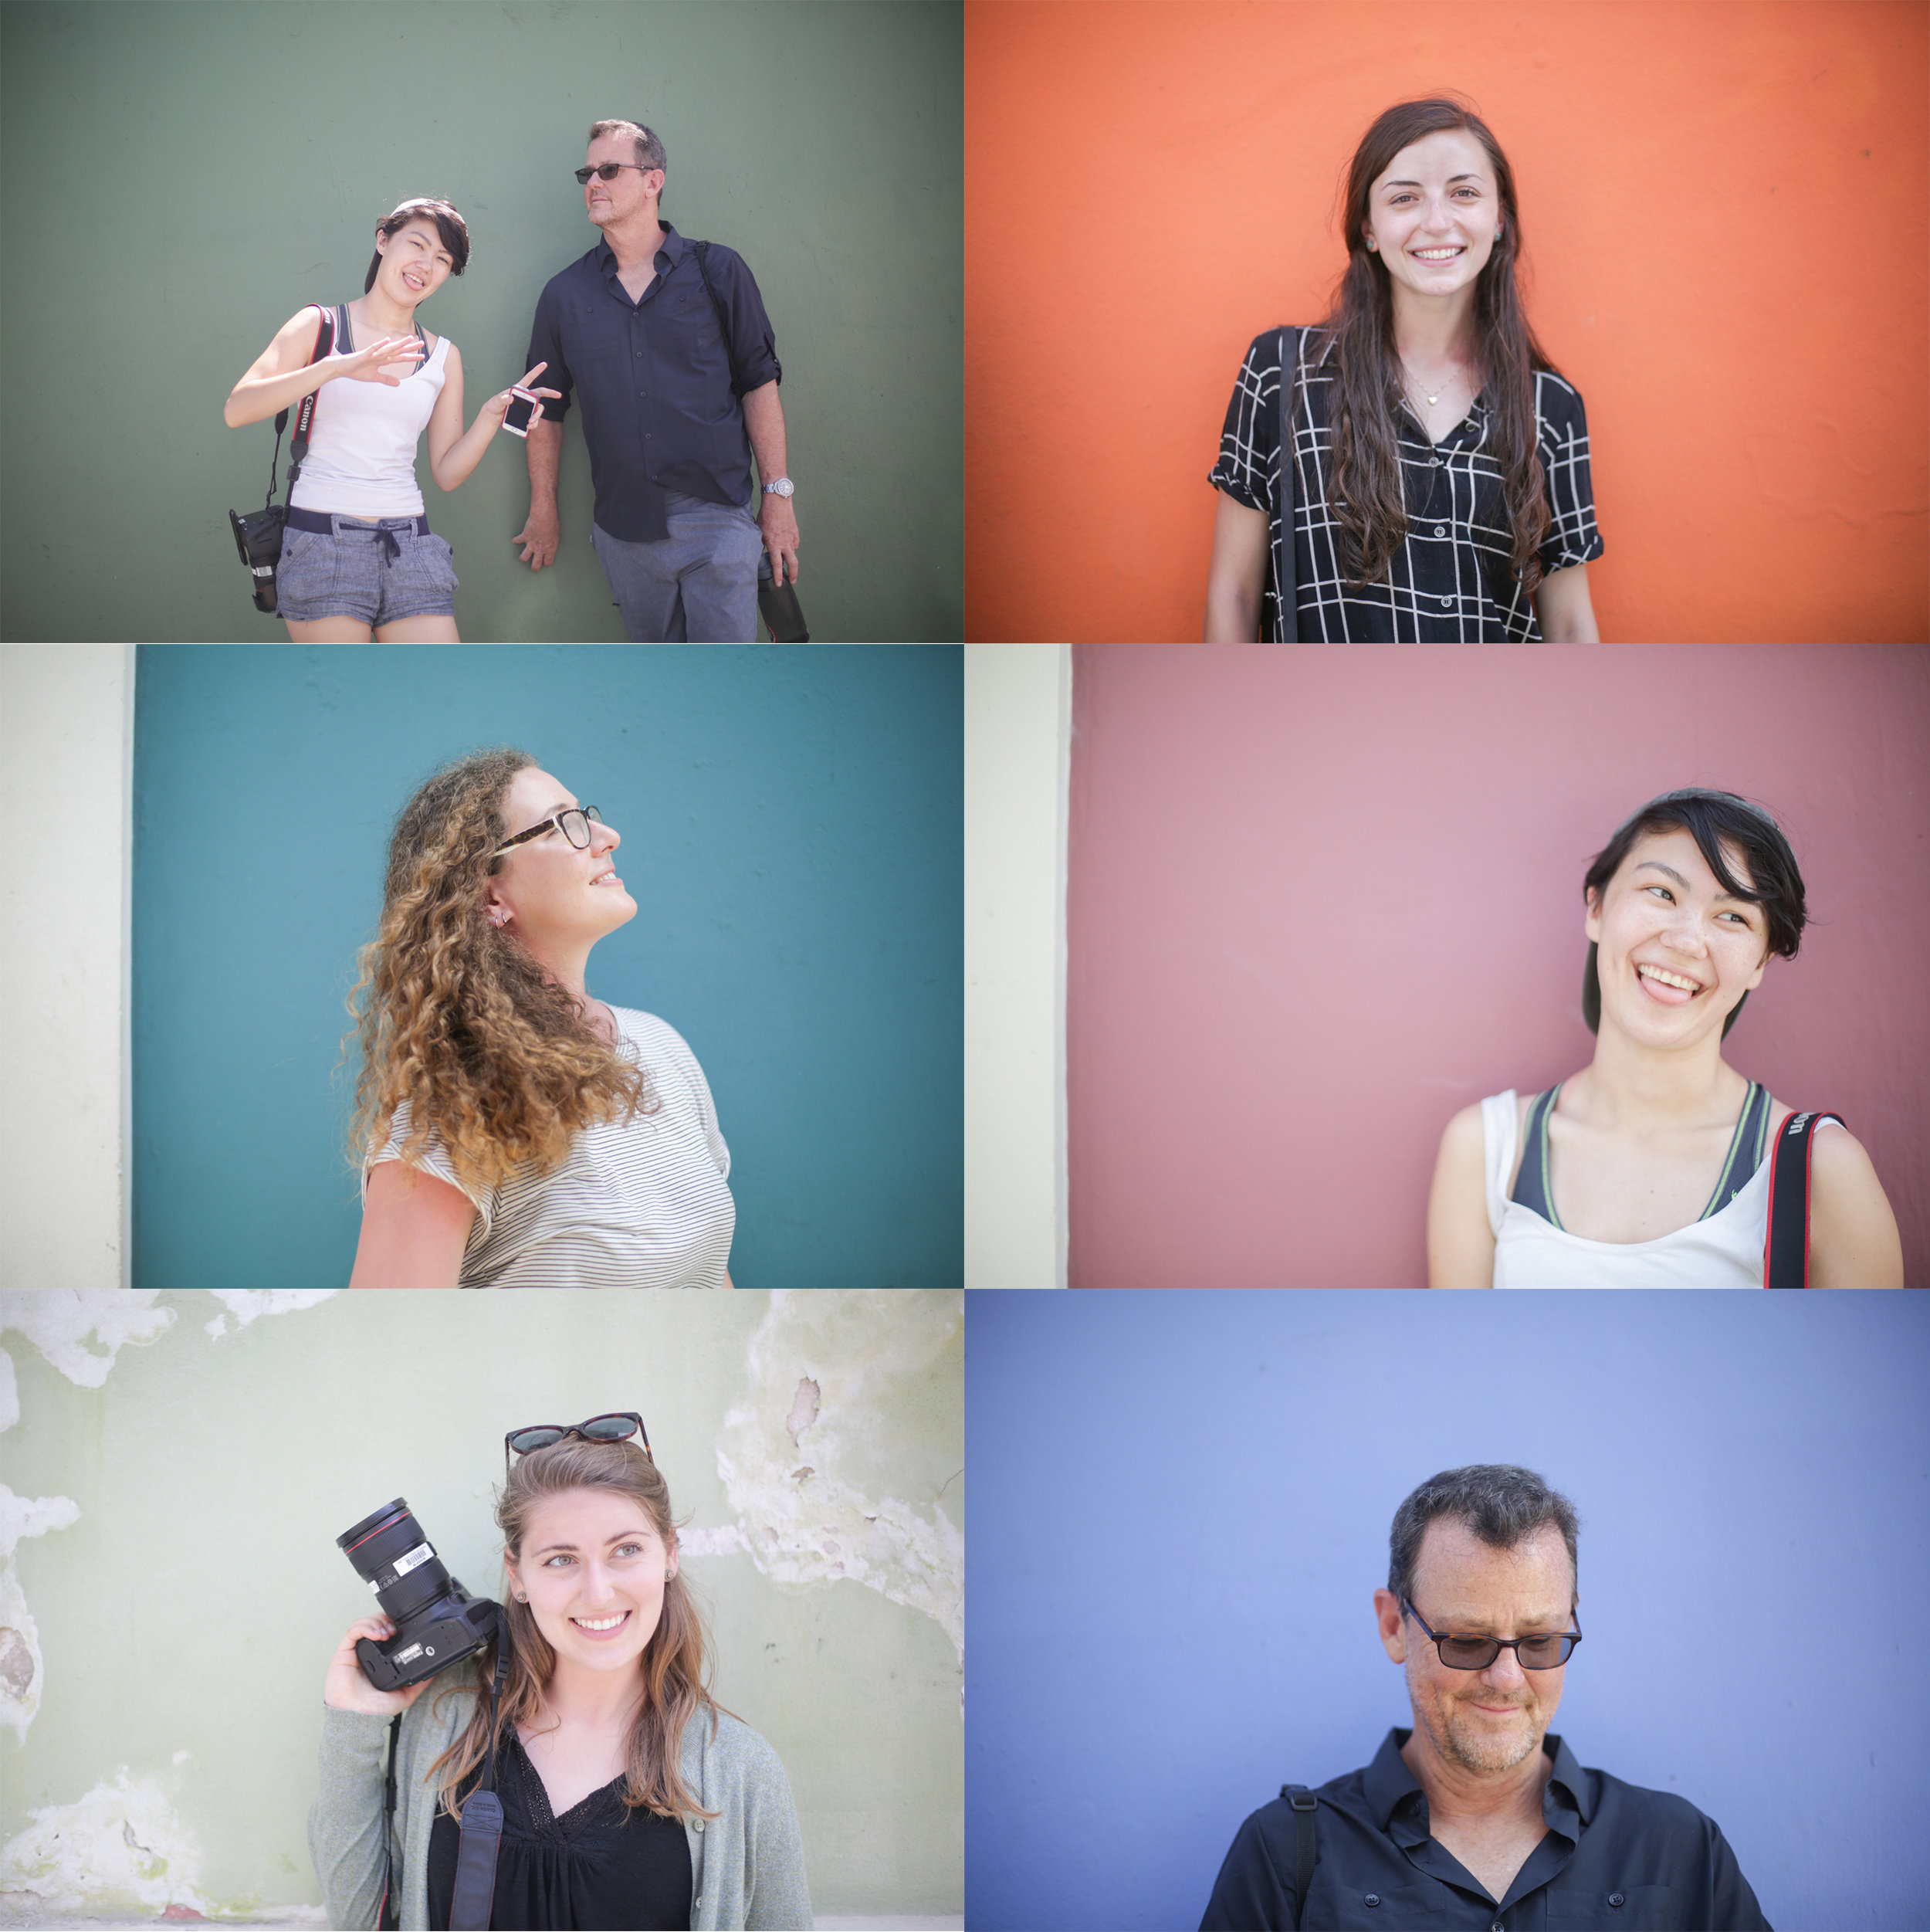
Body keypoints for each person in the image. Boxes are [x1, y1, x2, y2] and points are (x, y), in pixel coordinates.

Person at [1199, 1465, 1771, 1930]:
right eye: (1468, 1642)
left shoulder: (1678, 1848)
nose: (1506, 1678)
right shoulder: (1286, 1854)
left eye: (1540, 1641)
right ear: (1394, 1626)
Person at [311, 1421, 811, 1930]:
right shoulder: (446, 1720)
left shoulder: (740, 1772)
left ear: (671, 1554)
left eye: (626, 1550)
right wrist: (354, 1724)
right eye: (560, 1559)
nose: (597, 1593)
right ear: (517, 1574)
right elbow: (361, 1919)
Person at [1426, 788, 1904, 1288]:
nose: (1684, 941)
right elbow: (1463, 1362)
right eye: (1661, 893)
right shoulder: (1489, 1148)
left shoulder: (1821, 1167)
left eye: (1733, 916)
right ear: (1596, 907)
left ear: (1761, 962)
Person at [1204, 99, 1603, 642]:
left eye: (1464, 193)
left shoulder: (1551, 406)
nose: (1437, 222)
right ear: (1368, 227)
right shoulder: (1282, 372)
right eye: (1404, 198)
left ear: (1500, 218)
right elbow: (1235, 594)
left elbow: (1572, 625)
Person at [344, 747, 736, 1289]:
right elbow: (384, 1351)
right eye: (562, 825)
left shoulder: (663, 1049)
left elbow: (713, 1285)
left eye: (588, 816)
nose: (607, 836)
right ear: (489, 894)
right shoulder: (453, 1103)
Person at [511, 119, 800, 642]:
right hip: (626, 530)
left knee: (723, 689)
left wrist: (778, 496)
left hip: (718, 517)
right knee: (659, 685)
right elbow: (543, 408)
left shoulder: (719, 272)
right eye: (587, 173)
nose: (593, 183)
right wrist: (543, 508)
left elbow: (759, 384)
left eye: (609, 170)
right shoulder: (565, 295)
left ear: (653, 181)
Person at [224, 198, 559, 642]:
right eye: (416, 245)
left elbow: (446, 473)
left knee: (437, 696)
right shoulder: (319, 325)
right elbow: (238, 409)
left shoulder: (444, 356)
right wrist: (337, 366)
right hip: (323, 542)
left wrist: (489, 419)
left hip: (410, 544)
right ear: (383, 241)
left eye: (442, 258)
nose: (426, 264)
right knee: (350, 702)